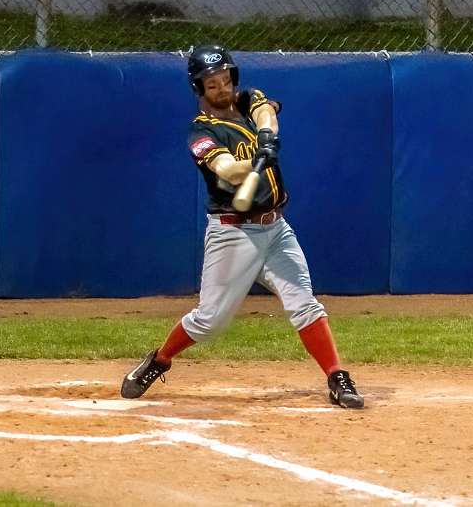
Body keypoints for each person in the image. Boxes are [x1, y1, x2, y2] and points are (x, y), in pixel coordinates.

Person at [119, 45, 364, 409]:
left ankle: (336, 376)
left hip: (276, 229)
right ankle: (160, 359)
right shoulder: (201, 131)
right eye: (212, 84)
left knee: (304, 304)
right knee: (210, 321)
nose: (222, 89)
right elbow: (228, 171)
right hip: (234, 234)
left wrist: (265, 138)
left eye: (225, 80)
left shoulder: (246, 100)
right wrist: (252, 163)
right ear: (199, 88)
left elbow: (267, 112)